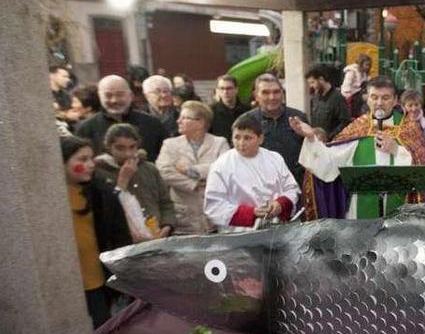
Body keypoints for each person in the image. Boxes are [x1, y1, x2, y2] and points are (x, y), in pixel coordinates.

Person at [290, 76, 425, 220]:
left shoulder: (409, 128)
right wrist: (311, 138)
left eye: (385, 98)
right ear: (367, 99)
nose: (379, 103)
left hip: (400, 208)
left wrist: (397, 150)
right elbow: (330, 163)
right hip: (360, 210)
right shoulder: (358, 128)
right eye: (374, 97)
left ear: (395, 100)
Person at [61, 136, 132, 328]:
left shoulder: (102, 194)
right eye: (82, 160)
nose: (91, 165)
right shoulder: (50, 197)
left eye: (91, 158)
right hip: (66, 283)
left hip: (96, 281)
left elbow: (120, 237)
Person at [204, 115, 300, 230]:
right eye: (237, 137)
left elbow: (291, 188)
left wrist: (280, 204)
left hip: (276, 229)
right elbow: (214, 206)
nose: (241, 143)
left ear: (260, 139)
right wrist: (252, 213)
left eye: (247, 138)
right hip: (239, 234)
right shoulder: (221, 165)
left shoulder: (275, 158)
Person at [156, 101, 229, 234]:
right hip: (183, 220)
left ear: (200, 122)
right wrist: (193, 184)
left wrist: (190, 170)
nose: (178, 121)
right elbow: (164, 172)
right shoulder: (170, 144)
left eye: (184, 118)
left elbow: (225, 169)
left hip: (213, 218)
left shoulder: (219, 143)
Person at [93, 123, 177, 238]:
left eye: (132, 147)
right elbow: (107, 211)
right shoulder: (99, 173)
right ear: (109, 146)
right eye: (120, 148)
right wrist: (123, 180)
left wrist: (167, 225)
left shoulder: (149, 168)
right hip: (124, 238)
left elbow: (165, 202)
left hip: (157, 233)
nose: (128, 154)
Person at [76, 75, 168, 161]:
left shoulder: (152, 124)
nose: (114, 100)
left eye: (120, 95)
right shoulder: (86, 128)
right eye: (108, 95)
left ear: (131, 96)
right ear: (99, 96)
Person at [241, 73, 309, 183]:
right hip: (260, 185)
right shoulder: (246, 121)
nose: (272, 97)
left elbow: (310, 150)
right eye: (265, 93)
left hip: (296, 183)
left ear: (282, 93)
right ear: (256, 95)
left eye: (276, 92)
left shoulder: (298, 117)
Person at [306, 64, 350, 140]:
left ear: (321, 79)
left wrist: (329, 137)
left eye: (312, 82)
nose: (311, 86)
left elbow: (345, 122)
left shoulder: (338, 98)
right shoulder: (314, 99)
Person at [209, 75, 250, 145]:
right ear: (217, 90)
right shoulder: (210, 111)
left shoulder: (247, 111)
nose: (225, 92)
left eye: (229, 88)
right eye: (222, 88)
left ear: (236, 89)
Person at [341, 54, 371, 118]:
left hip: (358, 94)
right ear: (361, 63)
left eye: (369, 65)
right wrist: (348, 98)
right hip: (351, 95)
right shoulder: (352, 72)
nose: (368, 67)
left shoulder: (364, 73)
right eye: (366, 64)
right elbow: (346, 86)